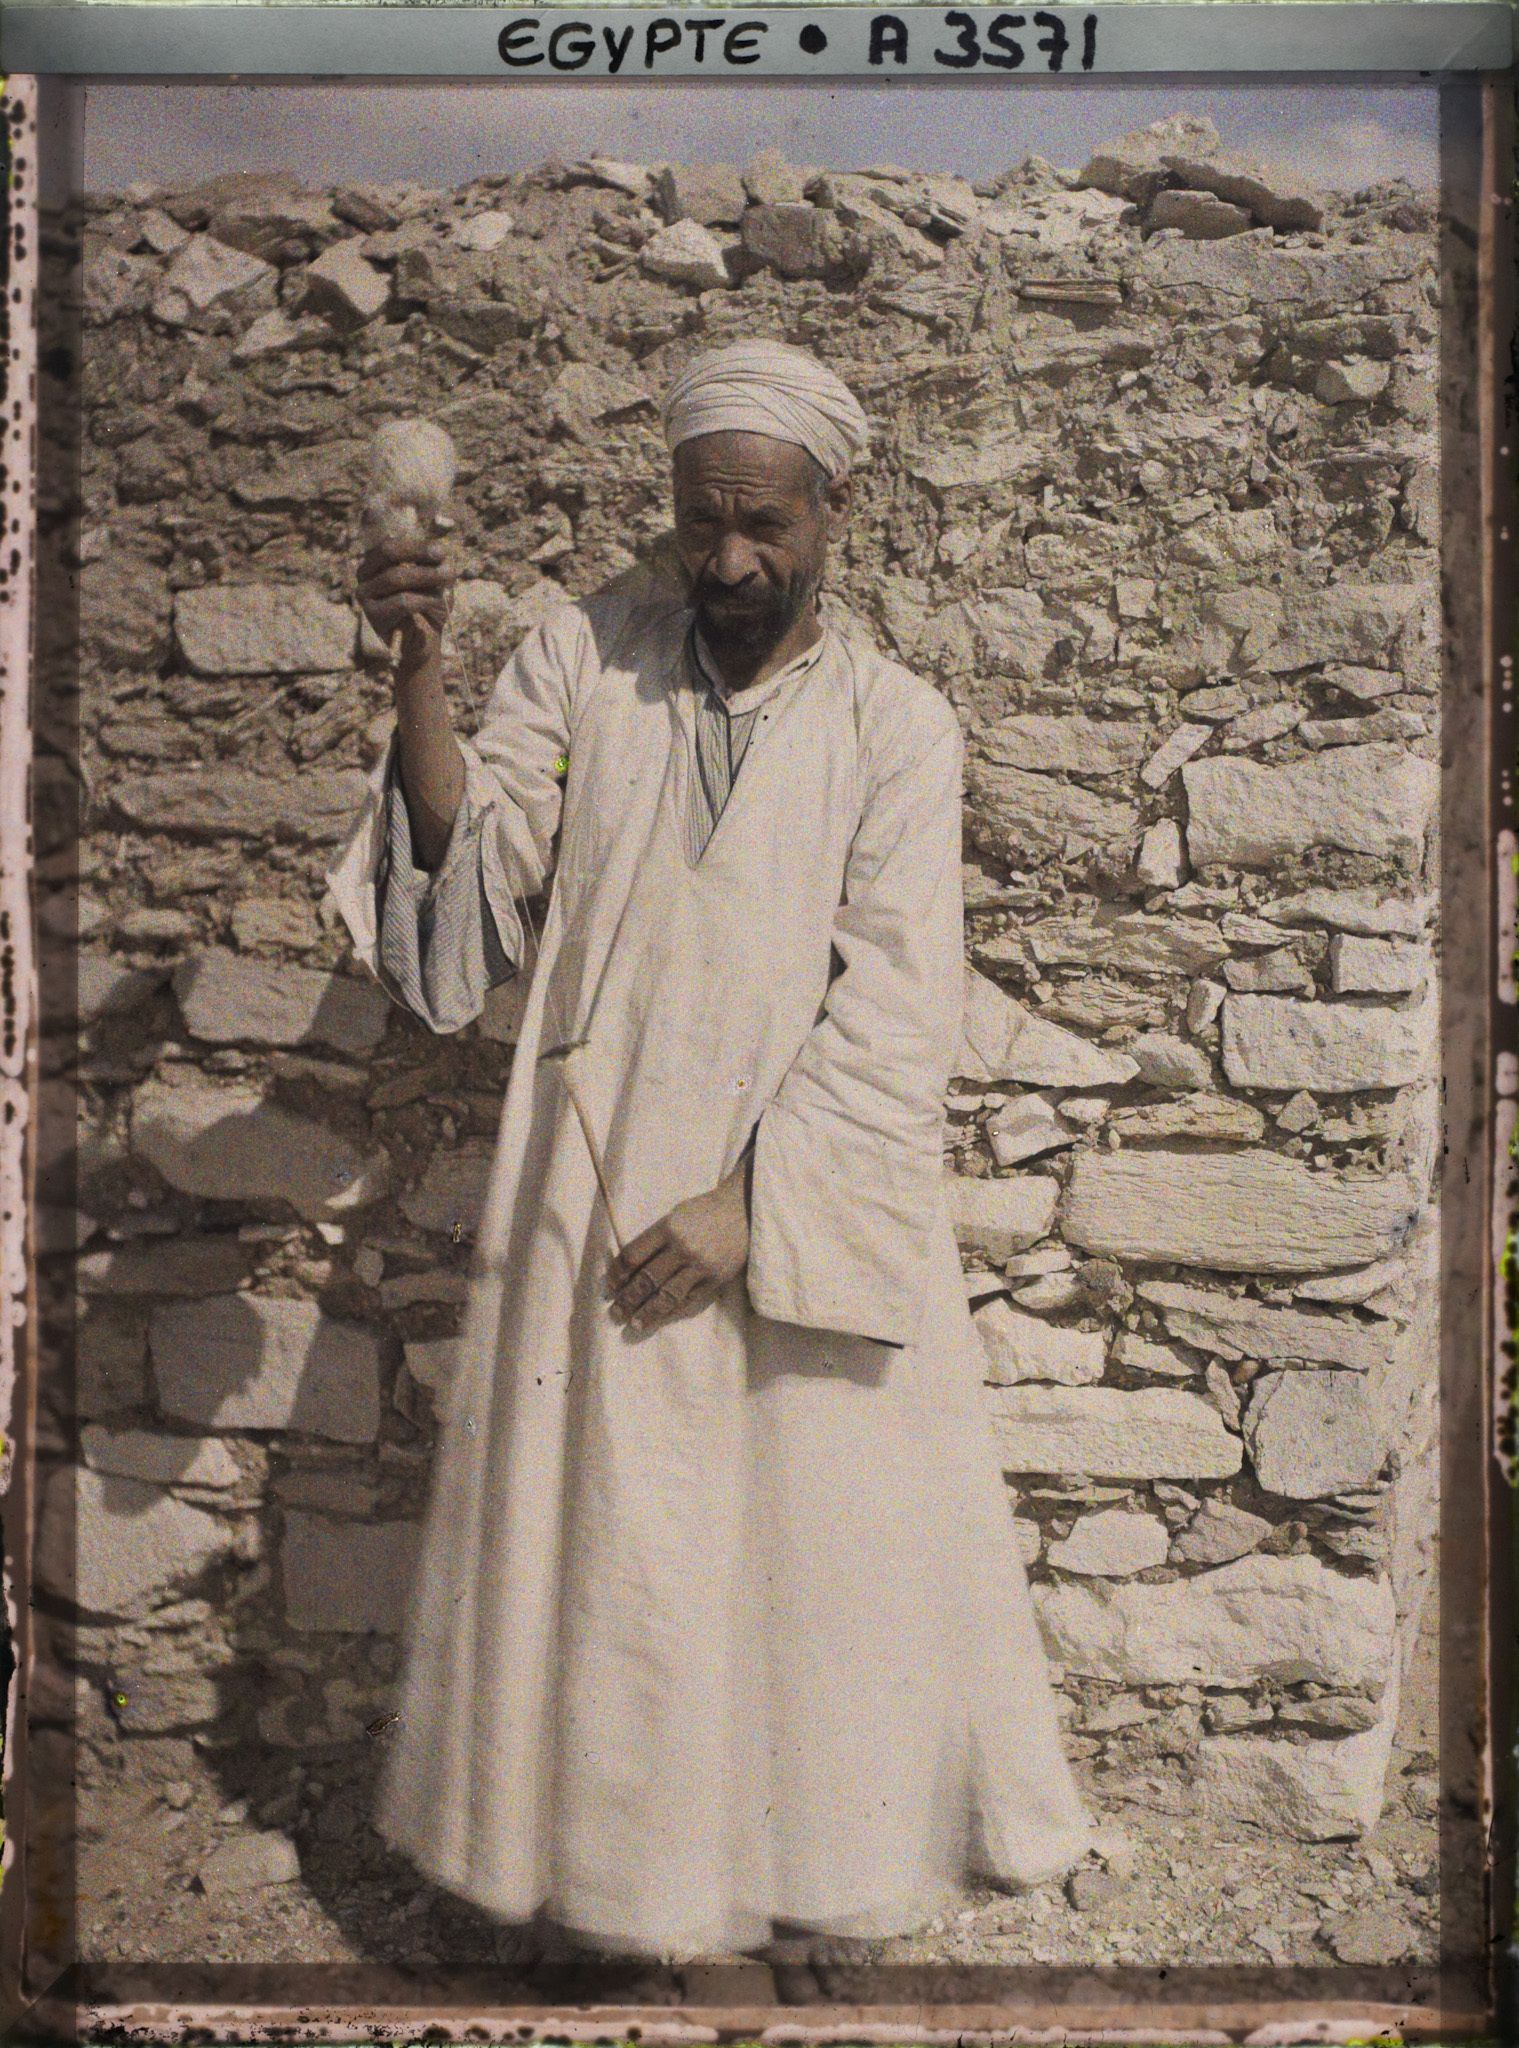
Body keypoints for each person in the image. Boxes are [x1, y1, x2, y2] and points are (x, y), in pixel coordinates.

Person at [325, 338, 1092, 1977]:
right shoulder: (582, 659)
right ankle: (626, 1898)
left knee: (813, 1555)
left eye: (767, 525)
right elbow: (476, 878)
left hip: (799, 1191)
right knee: (628, 1560)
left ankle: (815, 1889)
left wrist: (758, 1200)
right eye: (700, 522)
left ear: (839, 507)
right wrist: (415, 676)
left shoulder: (899, 726)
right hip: (594, 1178)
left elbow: (898, 998)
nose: (730, 560)